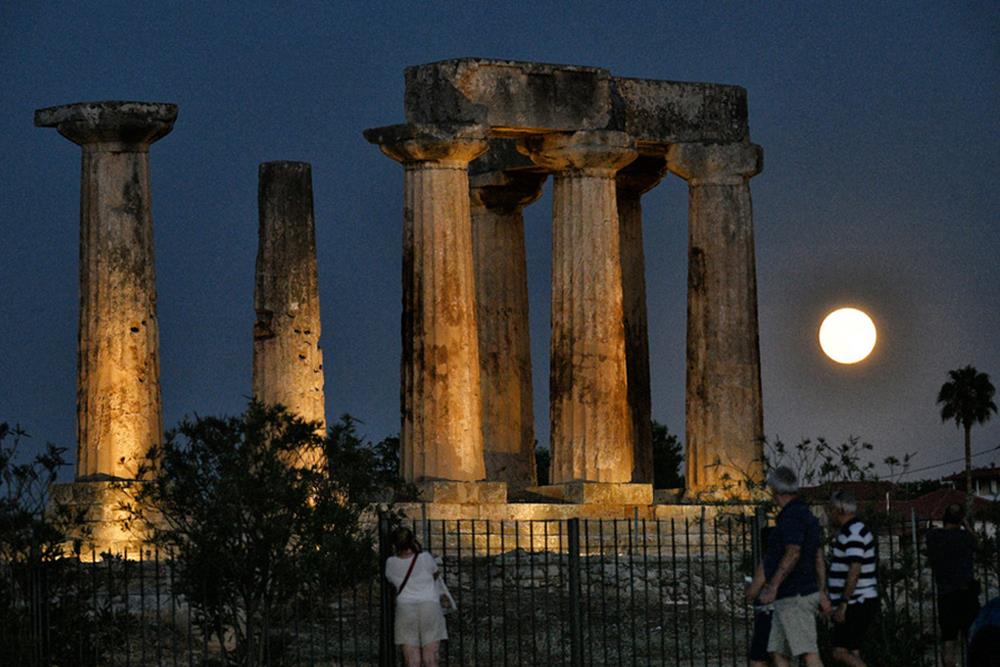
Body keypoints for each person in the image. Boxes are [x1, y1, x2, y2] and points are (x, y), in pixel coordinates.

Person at [758, 466, 830, 667]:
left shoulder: (790, 517)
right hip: (795, 594)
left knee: (808, 652)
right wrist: (821, 589)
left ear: (776, 490)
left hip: (794, 596)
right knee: (779, 652)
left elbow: (793, 552)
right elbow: (818, 556)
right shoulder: (807, 515)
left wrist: (772, 586)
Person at [825, 489, 878, 666]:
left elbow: (854, 569)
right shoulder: (852, 531)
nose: (830, 513)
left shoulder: (853, 533)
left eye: (831, 509)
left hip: (857, 601)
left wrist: (843, 604)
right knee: (853, 650)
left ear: (839, 510)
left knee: (839, 651)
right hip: (859, 601)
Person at [926, 503, 981, 667]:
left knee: (948, 639)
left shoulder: (933, 536)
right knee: (973, 638)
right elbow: (979, 546)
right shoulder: (966, 538)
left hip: (946, 594)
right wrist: (967, 526)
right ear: (961, 519)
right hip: (966, 594)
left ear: (944, 518)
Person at [384, 526, 447, 667]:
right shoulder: (426, 558)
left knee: (411, 658)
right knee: (431, 657)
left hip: (406, 607)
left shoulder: (391, 563)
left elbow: (391, 581)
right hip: (429, 605)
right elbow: (435, 575)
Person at [745, 526, 775, 667]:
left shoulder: (768, 562)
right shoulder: (789, 562)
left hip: (767, 613)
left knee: (758, 660)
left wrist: (749, 588)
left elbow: (753, 592)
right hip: (786, 611)